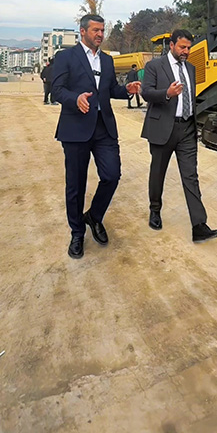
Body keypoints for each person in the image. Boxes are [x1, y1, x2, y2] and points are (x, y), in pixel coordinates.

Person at [51, 14, 142, 259]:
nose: (100, 34)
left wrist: (127, 91)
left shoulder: (107, 60)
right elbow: (57, 90)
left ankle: (94, 216)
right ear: (82, 32)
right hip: (76, 128)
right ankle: (77, 232)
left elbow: (110, 89)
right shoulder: (66, 57)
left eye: (102, 30)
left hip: (103, 128)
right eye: (95, 30)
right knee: (76, 185)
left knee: (112, 175)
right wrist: (75, 99)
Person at [140, 29, 217, 243]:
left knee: (190, 176)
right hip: (162, 128)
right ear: (172, 45)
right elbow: (146, 92)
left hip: (186, 129)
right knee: (158, 172)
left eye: (188, 47)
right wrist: (167, 93)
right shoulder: (154, 66)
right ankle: (155, 210)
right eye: (182, 47)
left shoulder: (191, 68)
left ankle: (199, 225)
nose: (186, 51)